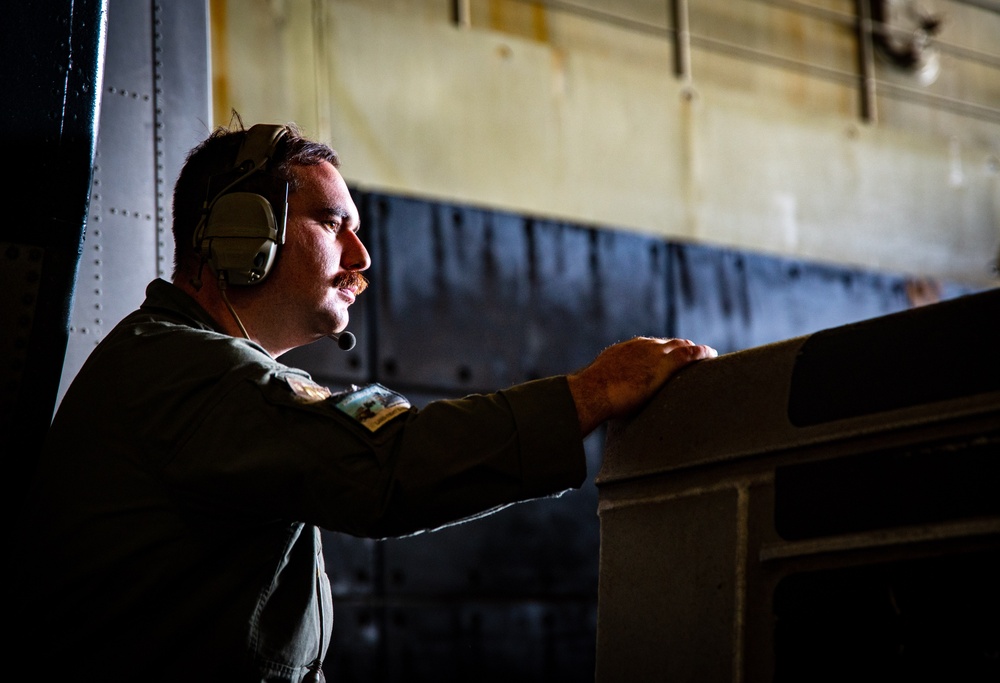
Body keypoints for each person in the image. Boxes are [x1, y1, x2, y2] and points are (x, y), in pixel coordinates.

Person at [14, 121, 717, 681]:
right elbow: (387, 467)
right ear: (239, 232)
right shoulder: (181, 369)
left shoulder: (183, 365)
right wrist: (592, 392)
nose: (362, 257)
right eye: (331, 222)